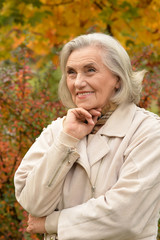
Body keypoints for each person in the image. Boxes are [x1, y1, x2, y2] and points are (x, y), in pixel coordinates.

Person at [14, 33, 160, 240]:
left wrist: (50, 223)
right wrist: (67, 140)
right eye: (71, 73)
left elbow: (125, 218)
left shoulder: (149, 131)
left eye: (90, 70)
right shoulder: (59, 130)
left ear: (118, 78)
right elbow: (33, 202)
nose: (78, 82)